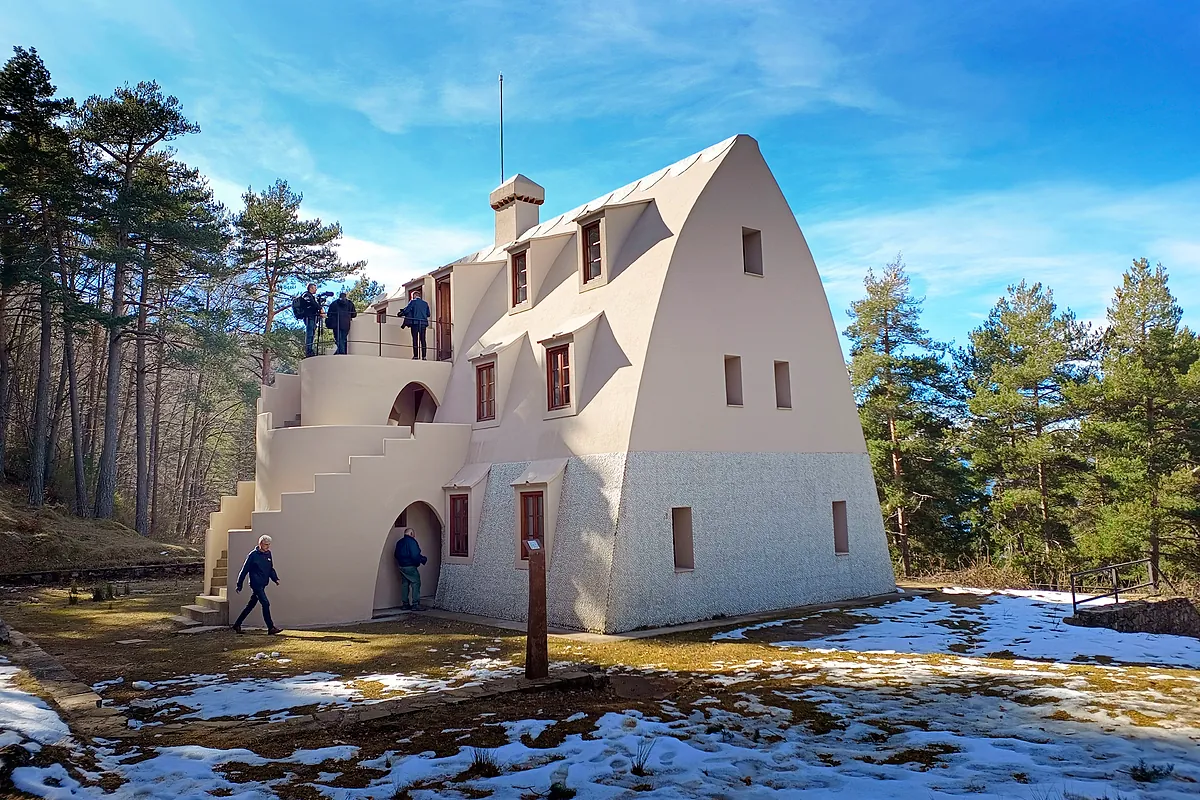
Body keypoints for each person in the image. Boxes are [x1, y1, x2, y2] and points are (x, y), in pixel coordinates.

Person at [232, 535, 282, 634]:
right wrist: (239, 584)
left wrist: (275, 578)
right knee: (265, 603)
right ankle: (271, 627)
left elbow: (270, 568)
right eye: (266, 545)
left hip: (263, 583)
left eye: (269, 545)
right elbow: (244, 570)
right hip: (256, 584)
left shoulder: (268, 554)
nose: (268, 547)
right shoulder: (253, 555)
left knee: (250, 605)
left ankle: (237, 625)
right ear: (260, 544)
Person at [393, 527, 428, 611]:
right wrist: (420, 561)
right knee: (416, 583)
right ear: (411, 533)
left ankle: (405, 604)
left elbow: (396, 555)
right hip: (410, 566)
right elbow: (415, 555)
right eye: (414, 534)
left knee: (405, 584)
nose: (414, 536)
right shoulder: (412, 542)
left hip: (402, 566)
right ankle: (415, 604)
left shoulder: (399, 542)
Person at [398, 291, 431, 360]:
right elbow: (428, 314)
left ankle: (416, 356)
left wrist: (401, 313)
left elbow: (406, 310)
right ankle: (424, 356)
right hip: (423, 323)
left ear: (414, 295)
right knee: (423, 340)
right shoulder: (425, 303)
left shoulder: (413, 302)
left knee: (415, 339)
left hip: (415, 323)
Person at [294, 283, 323, 357]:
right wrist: (320, 308)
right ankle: (308, 351)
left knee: (312, 333)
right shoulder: (306, 295)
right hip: (309, 317)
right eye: (314, 288)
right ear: (311, 288)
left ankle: (310, 350)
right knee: (310, 334)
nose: (316, 290)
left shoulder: (310, 296)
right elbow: (311, 302)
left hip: (312, 317)